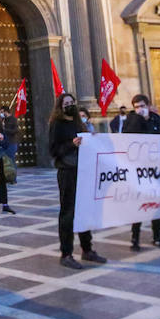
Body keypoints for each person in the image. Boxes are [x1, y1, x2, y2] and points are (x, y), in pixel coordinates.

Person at [49, 93, 106, 270]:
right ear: (60, 106)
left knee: (85, 210)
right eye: (66, 103)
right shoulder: (56, 124)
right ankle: (66, 253)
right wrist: (71, 144)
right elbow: (53, 150)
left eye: (72, 102)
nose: (69, 105)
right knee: (68, 212)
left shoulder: (77, 123)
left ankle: (87, 249)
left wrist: (92, 138)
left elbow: (86, 144)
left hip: (82, 170)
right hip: (67, 172)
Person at [124, 94, 160, 251]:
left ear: (148, 105)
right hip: (139, 170)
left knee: (157, 203)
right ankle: (135, 238)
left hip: (156, 168)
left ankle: (157, 236)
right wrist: (139, 119)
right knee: (138, 203)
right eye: (136, 107)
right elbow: (129, 137)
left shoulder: (156, 119)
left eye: (142, 106)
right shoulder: (131, 120)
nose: (139, 109)